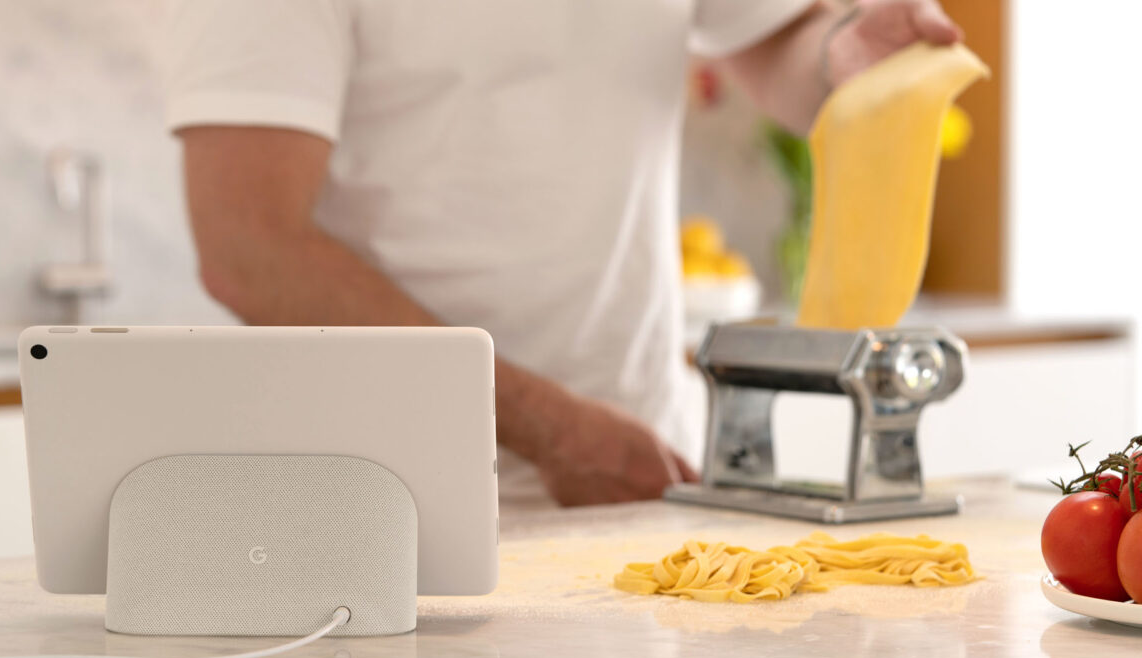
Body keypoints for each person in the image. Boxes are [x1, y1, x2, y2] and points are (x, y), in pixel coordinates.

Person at [164, 0, 962, 507]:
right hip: (387, 506)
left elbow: (778, 44)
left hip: (644, 477)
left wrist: (843, 54)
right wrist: (554, 430)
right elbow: (250, 246)